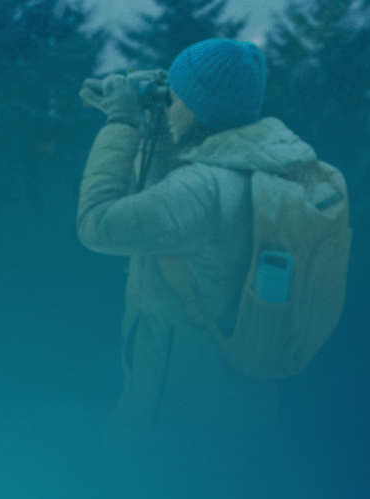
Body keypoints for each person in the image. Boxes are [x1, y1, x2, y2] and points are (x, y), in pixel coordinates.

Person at [76, 38, 317, 476]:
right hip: (238, 419)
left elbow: (97, 222)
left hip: (171, 439)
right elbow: (167, 205)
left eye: (174, 97)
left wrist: (121, 122)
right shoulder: (257, 166)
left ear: (196, 106)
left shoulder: (202, 192)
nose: (168, 105)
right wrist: (155, 125)